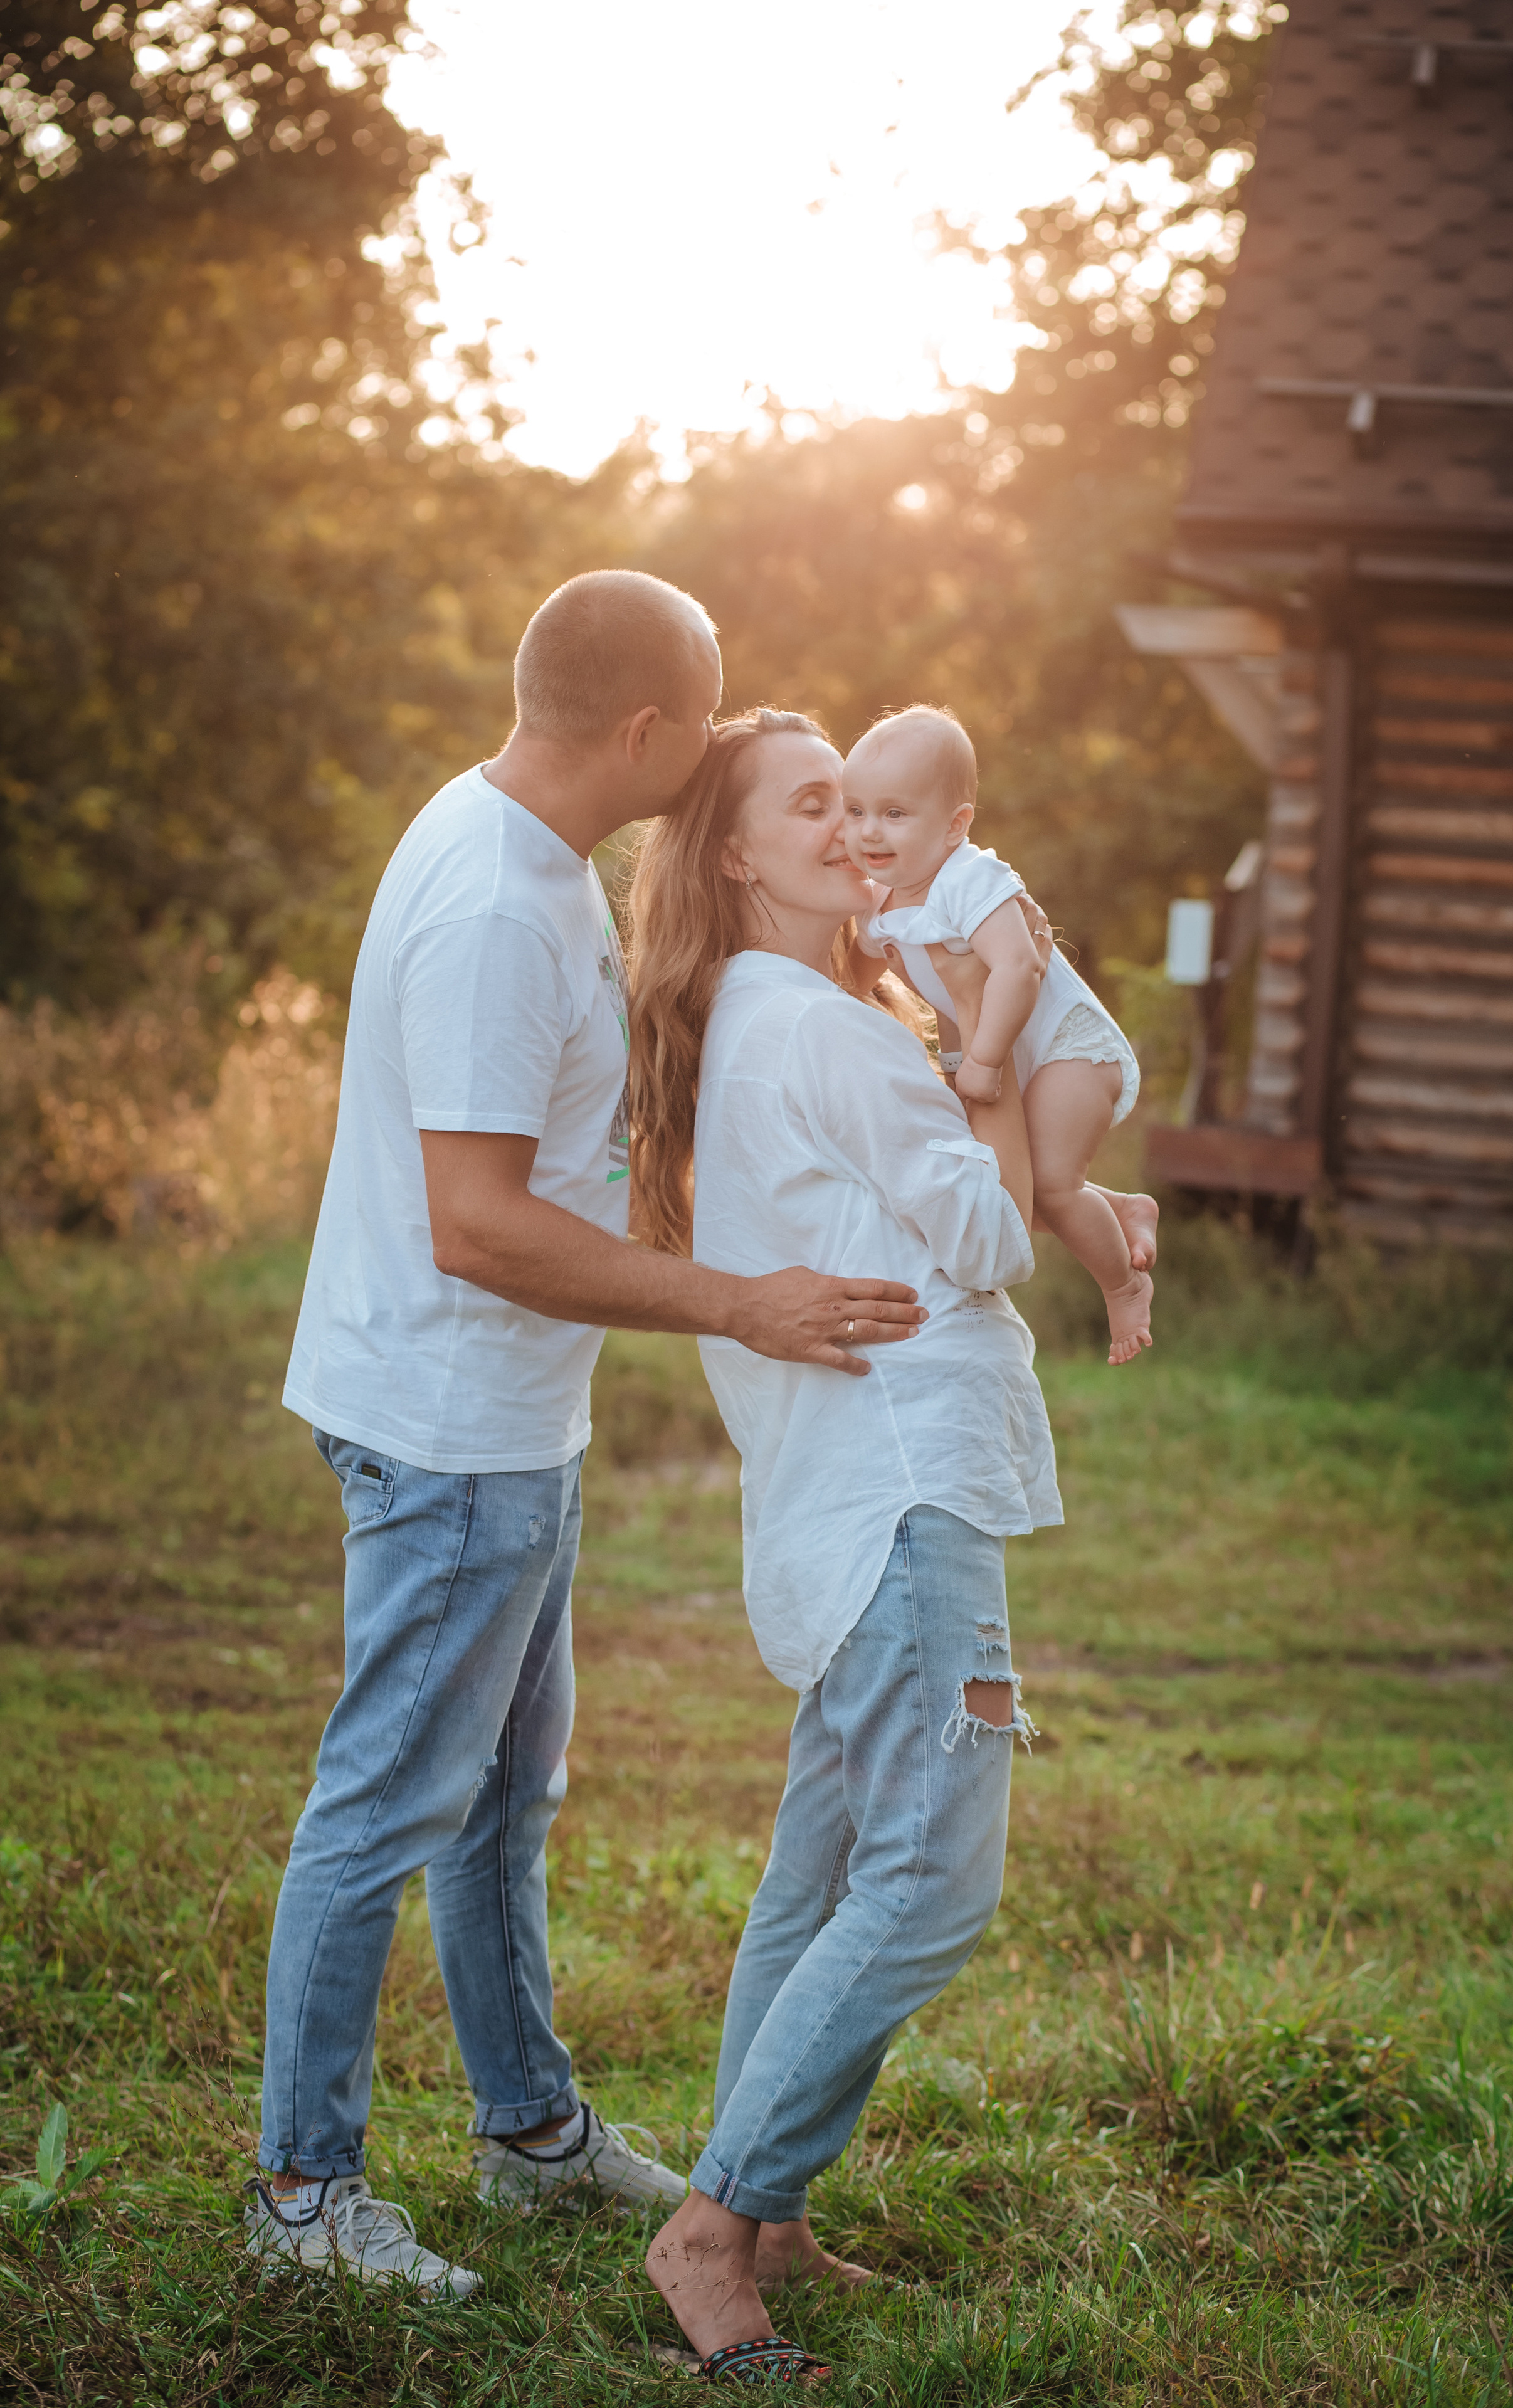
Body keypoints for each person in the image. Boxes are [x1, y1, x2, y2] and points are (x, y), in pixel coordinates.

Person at [246, 576, 927, 2301]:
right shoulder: (493, 903)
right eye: (702, 726)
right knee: (387, 1804)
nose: (708, 757)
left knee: (498, 1806)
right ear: (647, 735)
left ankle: (530, 2131)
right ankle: (302, 2197)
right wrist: (737, 1302)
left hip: (508, 1419)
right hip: (448, 1427)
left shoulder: (517, 854)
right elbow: (473, 1223)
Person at [625, 708, 1063, 2384]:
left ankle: (777, 2217)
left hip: (833, 1501)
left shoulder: (756, 1015)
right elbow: (993, 1235)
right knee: (936, 1878)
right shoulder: (827, 1030)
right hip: (904, 1491)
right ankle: (716, 2224)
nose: (849, 828)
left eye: (856, 802)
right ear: (737, 854)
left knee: (818, 1880)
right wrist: (992, 1047)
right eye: (808, 806)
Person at [845, 705, 1158, 1368]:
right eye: (856, 811)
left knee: (1051, 1180)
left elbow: (1021, 965)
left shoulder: (970, 880)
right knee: (1031, 1184)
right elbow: (855, 973)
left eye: (894, 814)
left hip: (1068, 1046)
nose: (869, 831)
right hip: (1017, 1056)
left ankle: (1124, 1285)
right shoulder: (883, 903)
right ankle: (1125, 1210)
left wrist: (982, 1060)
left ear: (955, 825)